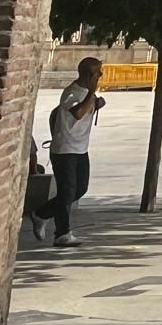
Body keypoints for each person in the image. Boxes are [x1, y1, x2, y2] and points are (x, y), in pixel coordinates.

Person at [35, 57, 105, 247]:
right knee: (67, 192)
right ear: (90, 75)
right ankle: (62, 234)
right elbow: (78, 113)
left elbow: (87, 110)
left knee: (80, 188)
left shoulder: (87, 93)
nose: (101, 76)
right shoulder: (71, 93)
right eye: (98, 72)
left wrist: (97, 102)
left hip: (81, 148)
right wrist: (92, 93)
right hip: (64, 149)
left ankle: (42, 213)